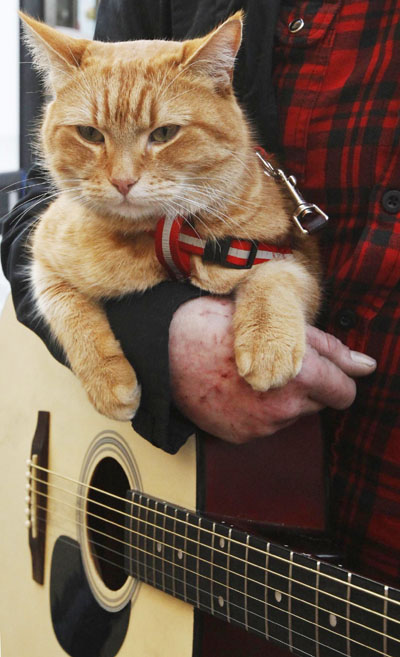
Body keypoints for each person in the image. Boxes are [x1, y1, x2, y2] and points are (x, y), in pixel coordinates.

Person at [1, 0, 399, 586]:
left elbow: (288, 254)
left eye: (161, 133)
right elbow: (30, 233)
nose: (123, 175)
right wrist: (150, 343)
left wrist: (272, 288)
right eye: (90, 134)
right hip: (199, 516)